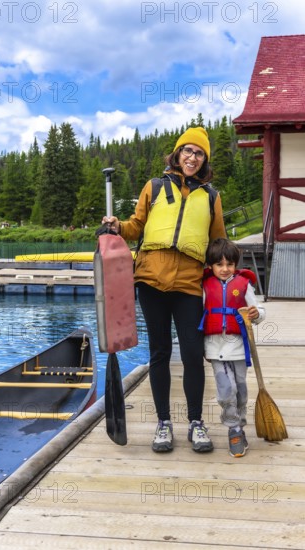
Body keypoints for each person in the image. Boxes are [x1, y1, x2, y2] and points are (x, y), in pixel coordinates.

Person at [103, 126, 226, 453]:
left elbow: (218, 245)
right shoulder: (154, 187)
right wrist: (117, 227)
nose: (192, 157)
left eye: (199, 154)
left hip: (188, 284)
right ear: (177, 153)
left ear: (204, 161)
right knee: (159, 352)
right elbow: (134, 228)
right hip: (151, 282)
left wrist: (230, 281)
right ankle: (163, 423)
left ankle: (196, 423)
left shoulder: (211, 197)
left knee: (192, 354)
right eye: (188, 151)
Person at [199, 238, 265, 457]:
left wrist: (257, 314)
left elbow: (258, 311)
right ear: (211, 266)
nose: (225, 269)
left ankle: (241, 424)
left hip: (237, 347)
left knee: (240, 390)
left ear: (236, 265)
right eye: (220, 264)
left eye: (229, 264)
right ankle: (233, 429)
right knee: (226, 390)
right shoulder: (205, 286)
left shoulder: (244, 285)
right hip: (215, 348)